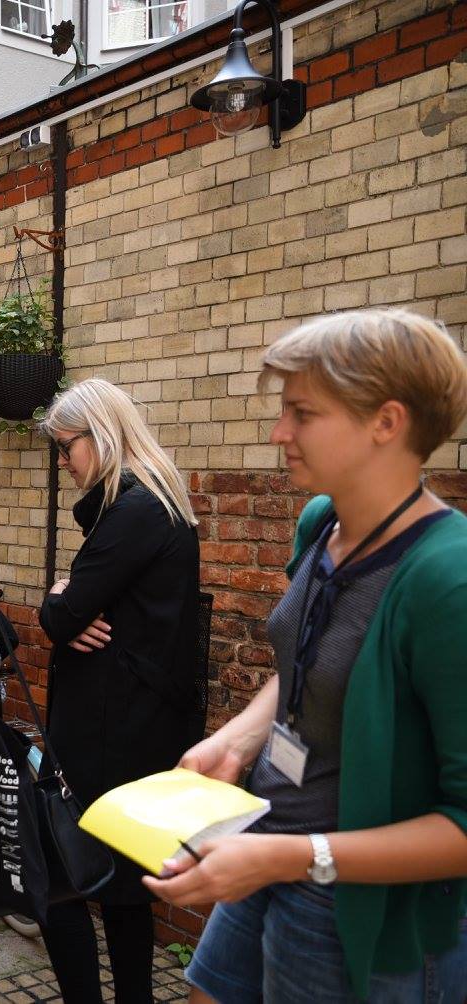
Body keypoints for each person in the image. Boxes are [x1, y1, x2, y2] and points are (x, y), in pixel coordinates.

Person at [147, 308, 467, 1003]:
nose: (279, 433)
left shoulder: (449, 579)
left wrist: (290, 857)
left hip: (356, 899)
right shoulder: (322, 521)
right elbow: (309, 657)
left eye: (303, 413)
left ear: (387, 421)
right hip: (269, 839)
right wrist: (239, 738)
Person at [37, 378, 202, 1004]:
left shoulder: (136, 511)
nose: (63, 461)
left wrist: (60, 598)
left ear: (101, 435)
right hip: (130, 726)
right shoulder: (149, 504)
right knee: (123, 889)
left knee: (66, 878)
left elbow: (63, 615)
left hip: (115, 732)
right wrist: (69, 605)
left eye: (66, 446)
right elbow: (79, 611)